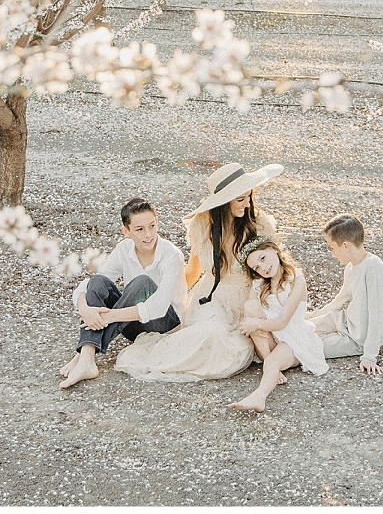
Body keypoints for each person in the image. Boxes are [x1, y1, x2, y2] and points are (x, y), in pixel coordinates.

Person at [115, 162, 283, 382]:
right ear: (224, 203)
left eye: (249, 196)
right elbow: (194, 270)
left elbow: (275, 266)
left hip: (251, 295)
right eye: (240, 199)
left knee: (238, 348)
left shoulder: (259, 223)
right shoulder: (203, 226)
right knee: (211, 333)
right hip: (214, 297)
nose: (247, 204)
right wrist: (170, 299)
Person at [59, 196, 186, 389]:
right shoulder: (124, 249)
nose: (148, 235)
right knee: (98, 281)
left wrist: (108, 316)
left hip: (165, 323)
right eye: (140, 229)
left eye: (152, 226)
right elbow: (93, 284)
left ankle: (83, 354)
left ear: (157, 223)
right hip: (132, 324)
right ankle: (87, 356)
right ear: (125, 232)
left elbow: (159, 307)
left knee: (142, 282)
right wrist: (85, 308)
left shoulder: (170, 254)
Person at [229, 235, 328, 413]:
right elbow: (251, 314)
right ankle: (270, 364)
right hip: (270, 339)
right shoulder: (259, 284)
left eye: (263, 258)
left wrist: (255, 325)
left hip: (294, 339)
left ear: (274, 249)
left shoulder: (297, 280)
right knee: (250, 306)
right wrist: (252, 321)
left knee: (273, 354)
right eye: (257, 267)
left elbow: (282, 322)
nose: (263, 268)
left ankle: (259, 396)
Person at [305, 213, 383, 376]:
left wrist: (369, 356)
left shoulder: (374, 270)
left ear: (346, 245)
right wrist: (313, 315)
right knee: (300, 328)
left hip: (359, 338)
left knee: (306, 345)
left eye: (332, 247)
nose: (332, 252)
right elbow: (341, 300)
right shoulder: (351, 266)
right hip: (345, 320)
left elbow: (378, 316)